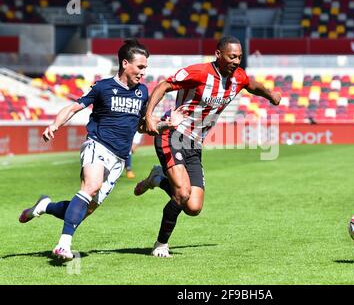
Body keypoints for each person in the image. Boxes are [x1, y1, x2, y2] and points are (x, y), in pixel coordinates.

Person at [17, 39, 180, 261]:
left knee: (84, 209)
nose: (144, 72)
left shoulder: (142, 92)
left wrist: (163, 125)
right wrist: (55, 125)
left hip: (119, 159)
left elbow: (143, 126)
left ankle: (45, 206)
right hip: (98, 144)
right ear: (125, 63)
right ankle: (63, 244)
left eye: (145, 67)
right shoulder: (103, 87)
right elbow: (74, 107)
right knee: (90, 186)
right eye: (140, 67)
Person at [133, 36, 281, 257]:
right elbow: (164, 85)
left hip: (195, 143)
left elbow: (252, 85)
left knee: (193, 207)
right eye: (232, 56)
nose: (236, 61)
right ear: (218, 54)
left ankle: (158, 179)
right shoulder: (200, 73)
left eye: (240, 57)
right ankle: (161, 244)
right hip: (172, 135)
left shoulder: (238, 77)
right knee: (182, 193)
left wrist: (271, 95)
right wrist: (150, 116)